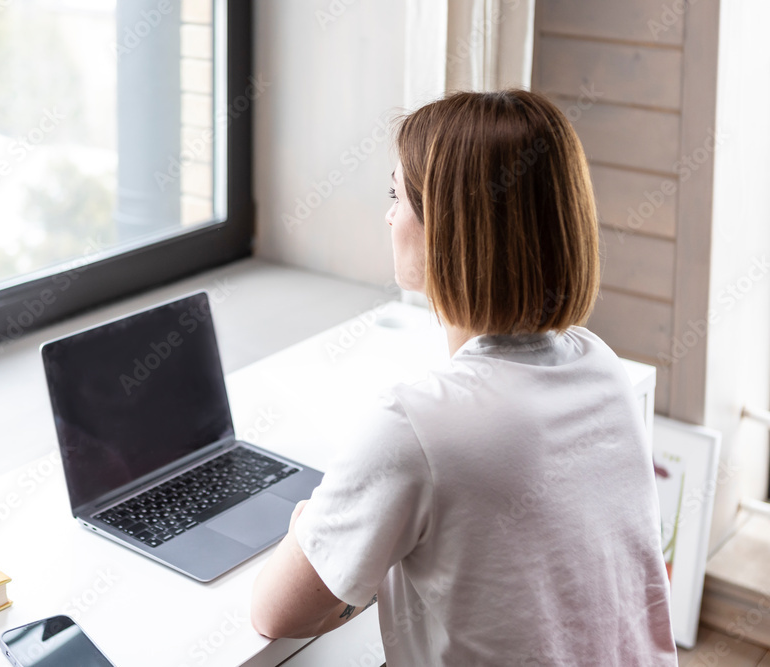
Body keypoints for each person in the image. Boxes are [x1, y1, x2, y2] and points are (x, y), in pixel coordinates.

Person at [250, 89, 677, 666]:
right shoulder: (599, 365)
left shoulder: (414, 426)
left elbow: (274, 612)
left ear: (449, 229)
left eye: (397, 196)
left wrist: (314, 529)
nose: (389, 216)